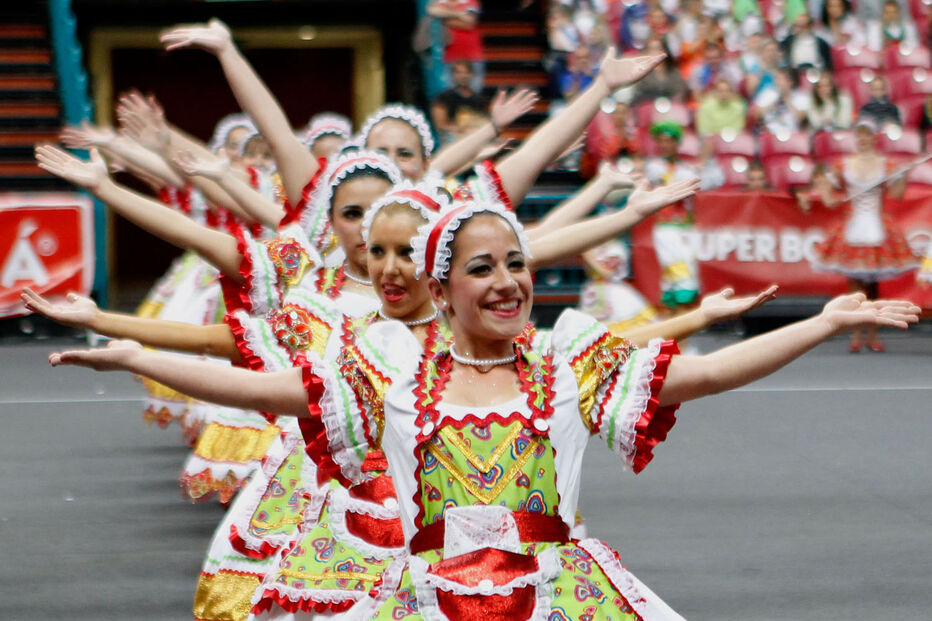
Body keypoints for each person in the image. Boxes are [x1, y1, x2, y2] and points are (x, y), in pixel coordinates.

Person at [46, 202, 921, 619]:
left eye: (516, 262)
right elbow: (267, 389)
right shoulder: (388, 367)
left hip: (560, 595)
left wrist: (820, 320)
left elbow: (711, 373)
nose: (507, 281)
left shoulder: (571, 358)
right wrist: (135, 353)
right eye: (482, 268)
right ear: (442, 287)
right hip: (427, 601)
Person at [808, 118, 919, 351]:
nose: (862, 139)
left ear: (874, 137)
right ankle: (855, 335)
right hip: (853, 226)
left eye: (866, 134)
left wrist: (902, 175)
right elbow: (828, 196)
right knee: (855, 287)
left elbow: (897, 195)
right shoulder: (843, 164)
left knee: (874, 287)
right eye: (859, 134)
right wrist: (829, 195)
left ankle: (872, 333)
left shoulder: (886, 164)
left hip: (878, 227)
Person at [645, 121, 725, 309]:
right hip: (665, 228)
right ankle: (676, 332)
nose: (664, 145)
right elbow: (670, 182)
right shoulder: (654, 167)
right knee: (679, 279)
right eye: (661, 141)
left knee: (681, 282)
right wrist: (700, 164)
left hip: (685, 229)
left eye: (669, 141)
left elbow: (715, 180)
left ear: (676, 143)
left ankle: (678, 335)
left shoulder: (685, 169)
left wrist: (708, 158)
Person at [427, 0, 486, 92]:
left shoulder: (470, 1)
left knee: (473, 94)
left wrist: (445, 19)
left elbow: (469, 22)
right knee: (451, 97)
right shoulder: (441, 1)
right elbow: (431, 11)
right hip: (450, 57)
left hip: (472, 57)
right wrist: (459, 15)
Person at [431, 60, 488, 146]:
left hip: (473, 140)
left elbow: (484, 123)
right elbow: (440, 125)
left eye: (466, 73)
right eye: (459, 72)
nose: (463, 76)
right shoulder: (443, 98)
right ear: (453, 75)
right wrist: (461, 129)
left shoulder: (479, 100)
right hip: (451, 141)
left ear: (471, 75)